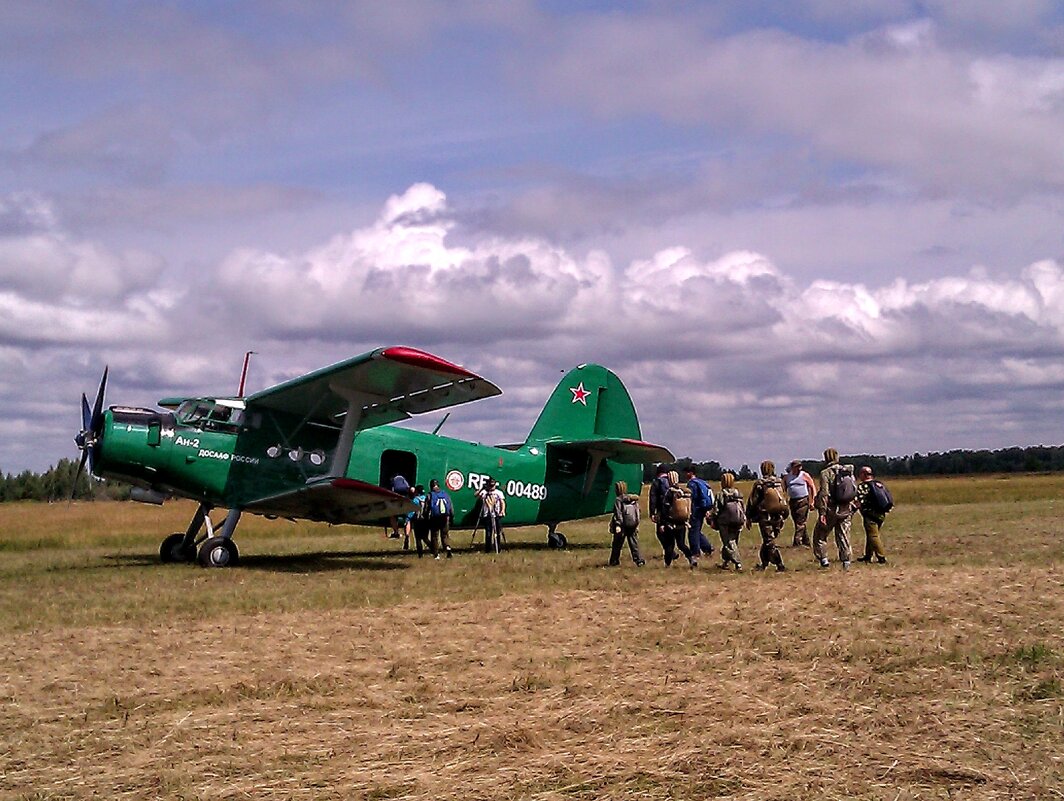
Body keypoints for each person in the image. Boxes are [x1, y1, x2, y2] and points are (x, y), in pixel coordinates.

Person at [812, 447, 856, 569]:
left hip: (831, 508)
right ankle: (846, 561)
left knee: (820, 535)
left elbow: (824, 493)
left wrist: (822, 512)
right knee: (844, 535)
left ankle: (824, 559)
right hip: (846, 507)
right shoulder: (847, 471)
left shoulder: (825, 473)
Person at [746, 460, 788, 572]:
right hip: (778, 515)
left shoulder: (760, 483)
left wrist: (749, 516)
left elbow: (753, 501)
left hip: (765, 516)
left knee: (769, 541)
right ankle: (764, 564)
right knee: (768, 541)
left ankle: (780, 564)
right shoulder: (779, 482)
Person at [708, 472, 744, 571]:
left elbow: (716, 510)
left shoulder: (721, 494)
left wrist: (711, 519)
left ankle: (738, 563)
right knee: (734, 541)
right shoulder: (738, 493)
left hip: (725, 522)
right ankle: (726, 562)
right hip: (738, 520)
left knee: (728, 543)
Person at [657, 470, 694, 567]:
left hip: (670, 523)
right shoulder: (683, 491)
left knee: (669, 545)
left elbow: (665, 508)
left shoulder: (669, 492)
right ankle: (691, 558)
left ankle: (667, 564)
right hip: (682, 523)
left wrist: (662, 523)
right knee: (681, 544)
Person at [855, 466, 889, 564]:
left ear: (864, 474)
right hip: (881, 513)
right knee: (870, 534)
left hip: (870, 514)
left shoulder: (863, 486)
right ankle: (868, 555)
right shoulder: (879, 484)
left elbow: (860, 501)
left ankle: (881, 556)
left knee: (873, 536)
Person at [608, 480, 645, 566]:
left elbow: (618, 513)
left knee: (617, 544)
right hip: (633, 524)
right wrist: (636, 524)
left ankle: (614, 561)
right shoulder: (632, 500)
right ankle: (639, 560)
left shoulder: (618, 500)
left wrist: (618, 524)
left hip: (622, 526)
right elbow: (637, 512)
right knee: (634, 544)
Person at [684, 467, 715, 562]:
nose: (685, 474)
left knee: (693, 531)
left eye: (687, 472)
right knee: (696, 530)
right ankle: (707, 548)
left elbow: (692, 498)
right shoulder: (702, 482)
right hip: (702, 509)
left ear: (691, 473)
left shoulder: (692, 484)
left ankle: (695, 552)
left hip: (695, 510)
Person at [783, 459, 816, 547]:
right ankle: (806, 542)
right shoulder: (787, 477)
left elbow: (812, 486)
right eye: (796, 467)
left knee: (800, 522)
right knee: (797, 521)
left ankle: (797, 542)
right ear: (792, 467)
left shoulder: (804, 475)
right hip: (793, 501)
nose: (799, 468)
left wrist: (812, 501)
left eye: (799, 466)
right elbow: (784, 489)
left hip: (803, 500)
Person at [426, 479, 453, 559]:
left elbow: (427, 508)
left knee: (435, 536)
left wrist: (426, 517)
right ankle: (448, 548)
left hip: (435, 518)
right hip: (445, 517)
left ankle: (436, 554)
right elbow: (450, 507)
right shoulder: (445, 494)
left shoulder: (430, 495)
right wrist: (451, 517)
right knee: (444, 535)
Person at [478, 477, 506, 553]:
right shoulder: (484, 492)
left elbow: (502, 502)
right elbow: (476, 495)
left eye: (492, 485)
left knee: (497, 532)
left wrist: (502, 511)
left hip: (496, 514)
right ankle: (488, 549)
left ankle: (498, 548)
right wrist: (482, 489)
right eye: (490, 485)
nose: (491, 487)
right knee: (488, 532)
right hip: (487, 515)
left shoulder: (499, 492)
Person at [410, 484, 434, 558]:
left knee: (418, 538)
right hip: (426, 520)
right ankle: (433, 549)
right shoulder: (427, 498)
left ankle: (420, 554)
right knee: (425, 537)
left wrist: (408, 519)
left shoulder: (416, 500)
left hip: (418, 521)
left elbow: (412, 511)